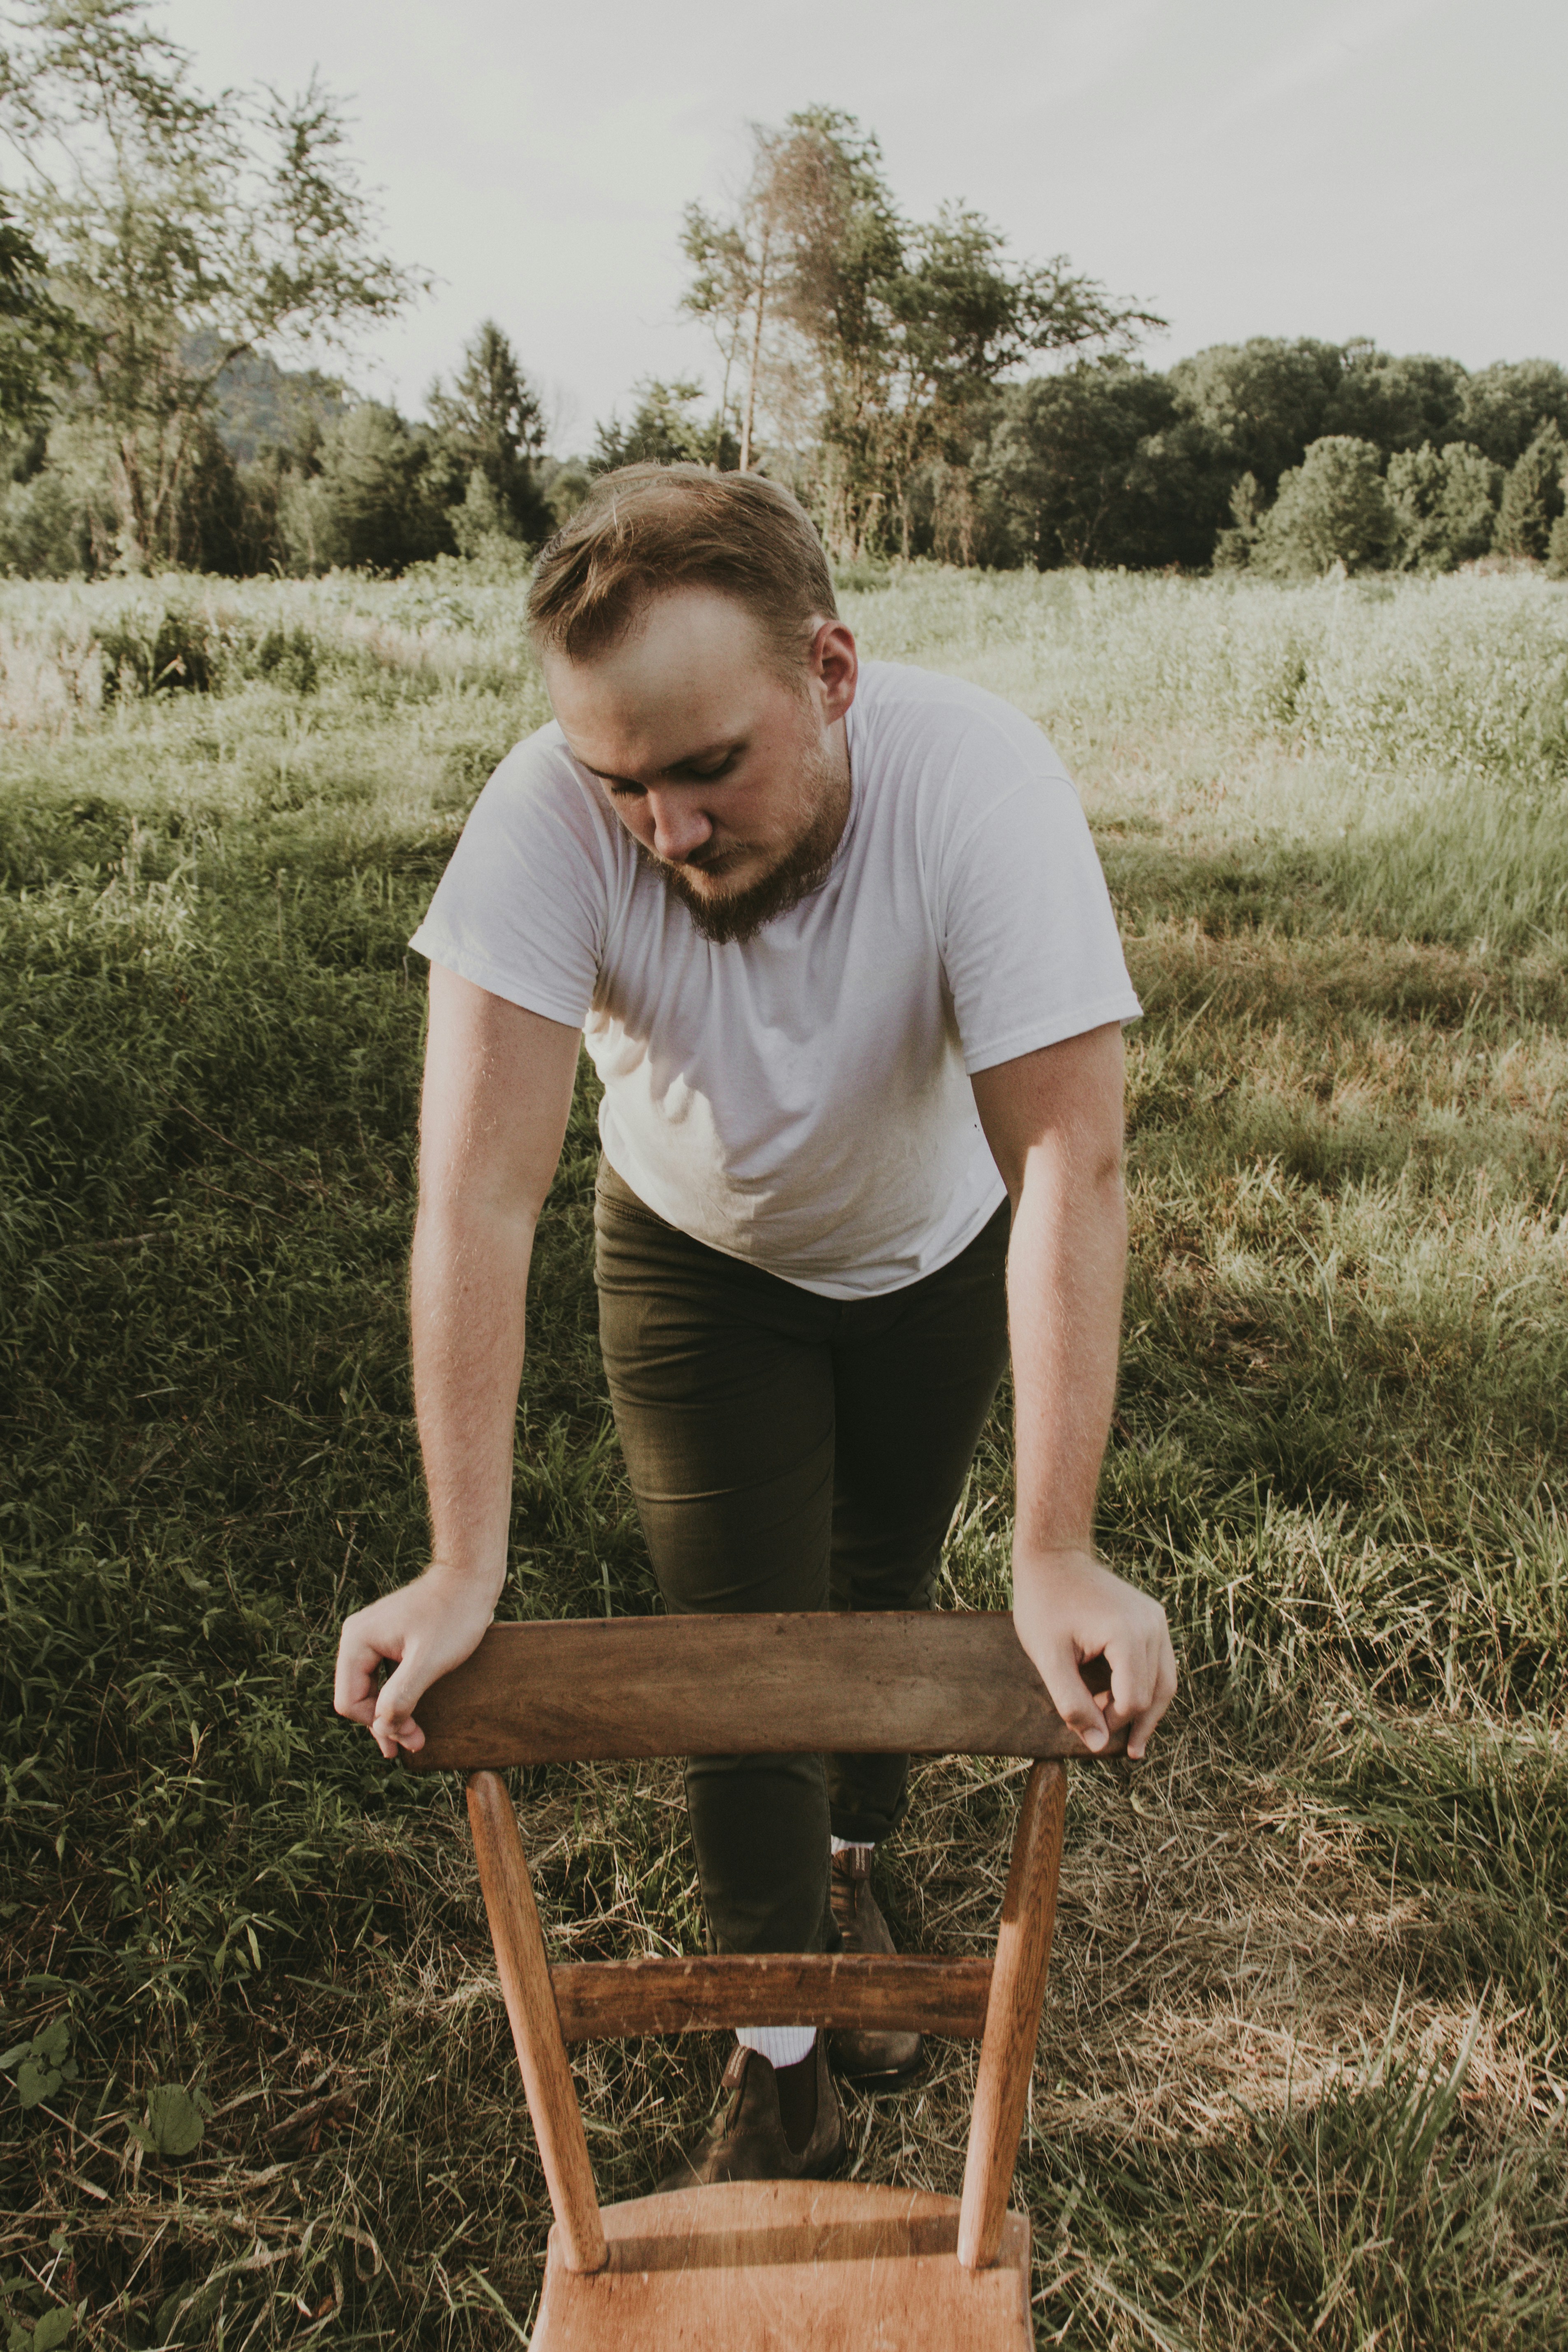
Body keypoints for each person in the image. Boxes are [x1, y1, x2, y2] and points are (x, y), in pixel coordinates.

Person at [334, 462, 1177, 2187]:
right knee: (742, 1655)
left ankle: (859, 1860)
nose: (666, 829)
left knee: (879, 1588)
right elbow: (477, 1200)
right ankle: (775, 2055)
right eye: (619, 781)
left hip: (932, 1248)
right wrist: (459, 1557)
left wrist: (1059, 1544)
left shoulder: (979, 784)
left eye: (709, 766)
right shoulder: (542, 818)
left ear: (832, 675)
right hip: (694, 1258)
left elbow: (1066, 1167)